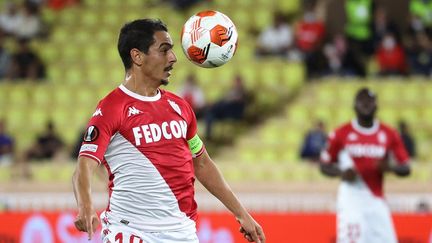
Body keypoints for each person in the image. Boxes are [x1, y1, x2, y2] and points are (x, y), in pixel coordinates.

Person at [72, 19, 265, 243]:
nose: (173, 58)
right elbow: (84, 166)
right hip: (131, 231)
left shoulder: (180, 107)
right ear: (137, 56)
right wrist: (85, 206)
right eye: (164, 50)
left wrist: (241, 213)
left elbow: (201, 163)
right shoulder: (112, 107)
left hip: (182, 232)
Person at [320, 88, 411, 243]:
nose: (366, 104)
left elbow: (406, 167)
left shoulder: (389, 133)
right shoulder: (342, 133)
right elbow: (324, 165)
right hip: (351, 198)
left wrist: (390, 168)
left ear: (376, 106)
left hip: (376, 200)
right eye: (362, 101)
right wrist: (342, 173)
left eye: (370, 101)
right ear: (354, 106)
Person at [205, 74, 249, 140]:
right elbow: (224, 98)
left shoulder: (243, 92)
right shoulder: (231, 91)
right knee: (210, 115)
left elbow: (239, 101)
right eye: (235, 82)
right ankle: (208, 136)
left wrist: (232, 99)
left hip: (233, 112)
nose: (236, 84)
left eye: (238, 82)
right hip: (224, 112)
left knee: (216, 108)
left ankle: (212, 108)